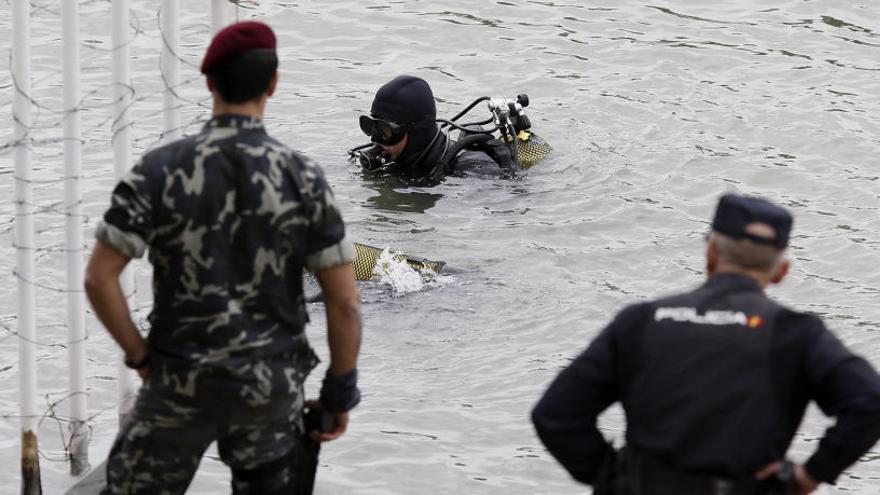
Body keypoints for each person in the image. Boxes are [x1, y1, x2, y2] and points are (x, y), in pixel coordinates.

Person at [84, 21, 362, 494]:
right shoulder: (304, 178)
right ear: (273, 85)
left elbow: (99, 279)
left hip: (178, 384)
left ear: (209, 81)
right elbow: (345, 304)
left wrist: (141, 357)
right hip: (270, 392)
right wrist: (338, 394)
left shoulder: (159, 170)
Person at [531, 194, 880, 495]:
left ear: (710, 253)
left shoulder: (641, 321)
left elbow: (556, 415)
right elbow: (869, 402)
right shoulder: (796, 333)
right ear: (781, 271)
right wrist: (811, 474)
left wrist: (610, 476)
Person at [356, 75, 518, 186]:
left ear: (415, 133)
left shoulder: (472, 170)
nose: (374, 139)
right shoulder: (401, 157)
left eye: (385, 131)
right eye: (371, 126)